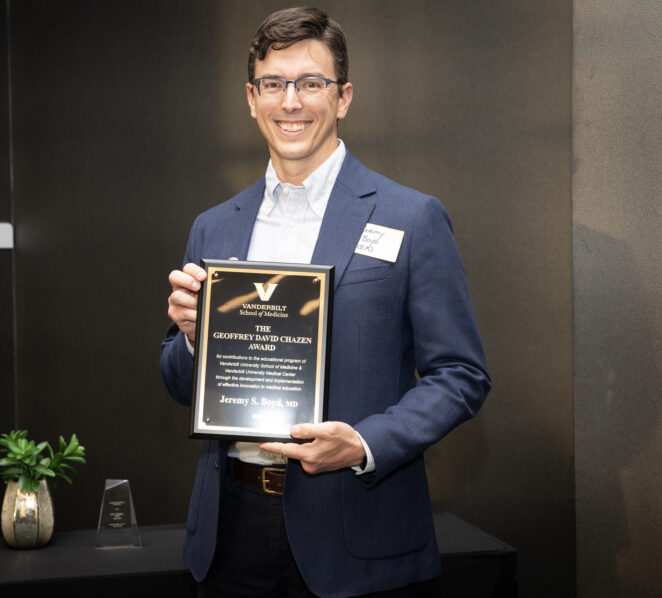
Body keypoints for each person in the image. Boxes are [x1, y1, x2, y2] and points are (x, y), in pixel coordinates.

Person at [160, 7, 491, 598]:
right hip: (229, 532)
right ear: (252, 98)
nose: (291, 102)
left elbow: (461, 375)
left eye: (311, 83)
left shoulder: (411, 217)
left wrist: (363, 445)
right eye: (273, 84)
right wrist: (191, 339)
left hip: (357, 532)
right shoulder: (213, 227)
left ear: (343, 98)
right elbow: (181, 385)